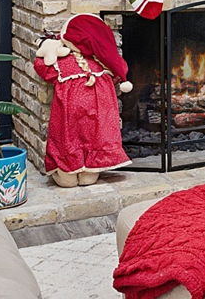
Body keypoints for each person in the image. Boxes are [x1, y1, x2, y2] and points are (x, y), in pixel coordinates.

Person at [32, 13, 134, 185]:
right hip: (98, 119)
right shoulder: (103, 67)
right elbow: (117, 76)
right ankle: (89, 172)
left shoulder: (62, 64)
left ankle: (68, 173)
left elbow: (42, 68)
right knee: (96, 137)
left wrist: (48, 48)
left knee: (67, 139)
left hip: (70, 117)